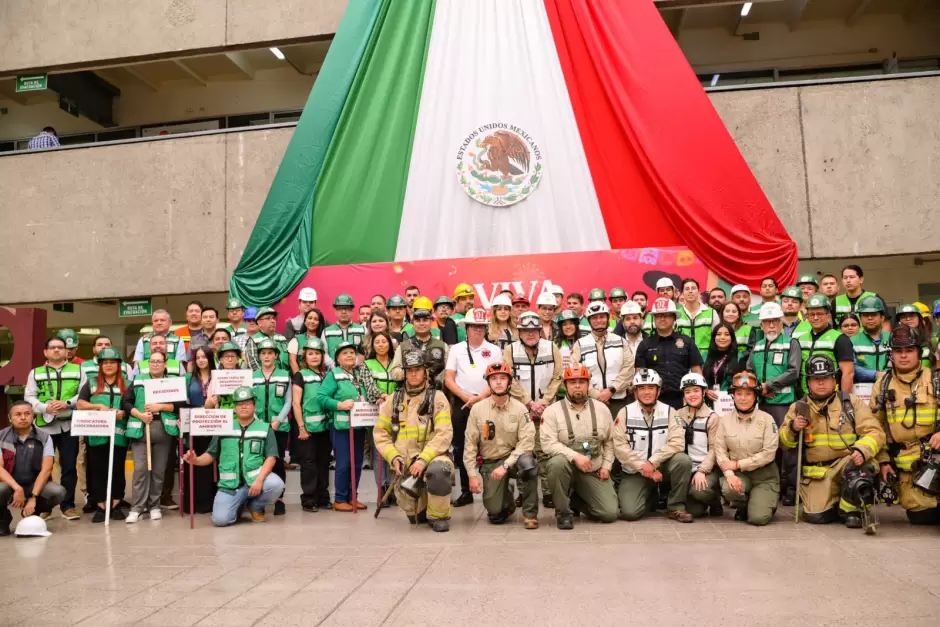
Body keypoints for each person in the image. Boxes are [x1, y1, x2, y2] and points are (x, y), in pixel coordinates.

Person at [780, 355, 885, 529]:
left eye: (826, 378)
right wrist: (793, 428)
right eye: (816, 379)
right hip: (818, 473)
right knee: (816, 516)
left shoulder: (851, 402)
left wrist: (861, 450)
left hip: (847, 463)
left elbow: (875, 431)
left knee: (861, 467)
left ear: (834, 379)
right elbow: (784, 443)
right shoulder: (798, 407)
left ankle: (851, 510)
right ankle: (837, 501)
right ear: (808, 382)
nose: (821, 383)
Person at [374, 350, 454, 531]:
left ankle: (438, 516)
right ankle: (424, 506)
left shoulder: (437, 397)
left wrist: (424, 459)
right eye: (409, 370)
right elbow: (380, 434)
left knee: (438, 471)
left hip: (432, 458)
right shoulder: (393, 400)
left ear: (425, 372)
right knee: (416, 518)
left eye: (418, 369)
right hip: (406, 466)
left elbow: (444, 434)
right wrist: (394, 457)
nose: (413, 374)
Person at [182, 386, 285, 526]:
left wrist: (260, 480)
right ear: (234, 408)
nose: (244, 407)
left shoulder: (265, 428)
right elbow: (211, 454)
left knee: (276, 484)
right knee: (220, 521)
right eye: (240, 404)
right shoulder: (224, 427)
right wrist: (196, 460)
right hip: (230, 486)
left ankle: (255, 506)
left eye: (248, 403)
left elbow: (271, 458)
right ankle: (238, 505)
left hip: (254, 481)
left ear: (254, 407)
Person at [870, 325, 940, 525]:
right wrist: (883, 461)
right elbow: (874, 428)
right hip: (909, 468)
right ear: (891, 354)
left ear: (919, 351)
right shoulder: (882, 385)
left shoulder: (936, 379)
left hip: (936, 455)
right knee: (922, 517)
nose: (903, 356)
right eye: (898, 351)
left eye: (909, 350)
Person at [540, 363, 618, 529]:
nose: (577, 386)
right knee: (556, 464)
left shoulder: (602, 409)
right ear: (565, 385)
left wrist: (606, 466)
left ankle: (576, 499)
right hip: (566, 468)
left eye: (581, 382)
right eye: (572, 382)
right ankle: (563, 512)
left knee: (609, 514)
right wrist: (574, 456)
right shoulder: (552, 411)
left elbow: (610, 441)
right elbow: (548, 444)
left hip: (593, 470)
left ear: (588, 385)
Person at [612, 369, 693, 523]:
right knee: (630, 513)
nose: (646, 392)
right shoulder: (625, 413)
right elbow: (620, 447)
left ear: (659, 390)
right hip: (635, 471)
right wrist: (643, 467)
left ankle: (676, 507)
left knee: (683, 460)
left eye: (651, 387)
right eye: (642, 388)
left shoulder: (670, 412)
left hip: (662, 468)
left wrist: (652, 462)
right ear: (635, 391)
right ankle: (651, 495)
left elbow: (677, 443)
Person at [465, 363, 539, 529]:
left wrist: (506, 465)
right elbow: (470, 443)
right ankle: (507, 498)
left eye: (503, 378)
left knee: (529, 465)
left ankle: (530, 514)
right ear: (488, 383)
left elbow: (527, 440)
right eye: (494, 379)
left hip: (514, 460)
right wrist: (471, 474)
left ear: (509, 382)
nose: (498, 382)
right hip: (491, 462)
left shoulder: (520, 409)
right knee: (496, 514)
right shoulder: (477, 410)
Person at [444, 308, 502, 507]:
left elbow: (497, 378)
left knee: (490, 445)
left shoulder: (494, 350)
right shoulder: (456, 349)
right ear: (466, 328)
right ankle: (465, 491)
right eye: (474, 326)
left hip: (487, 401)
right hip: (462, 402)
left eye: (481, 326)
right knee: (461, 447)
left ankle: (494, 489)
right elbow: (449, 378)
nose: (478, 330)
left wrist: (480, 397)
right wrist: (465, 397)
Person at [746, 302, 803, 505]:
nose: (771, 326)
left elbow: (793, 372)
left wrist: (769, 386)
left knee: (787, 446)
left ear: (781, 323)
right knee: (768, 447)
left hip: (783, 404)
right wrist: (758, 389)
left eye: (774, 322)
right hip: (762, 405)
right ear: (761, 325)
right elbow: (750, 370)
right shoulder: (758, 346)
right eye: (767, 322)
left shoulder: (791, 343)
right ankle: (774, 487)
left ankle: (791, 489)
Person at [318, 341, 385, 511]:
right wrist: (339, 405)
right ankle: (340, 499)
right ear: (338, 359)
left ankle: (352, 497)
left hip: (359, 426)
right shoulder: (334, 375)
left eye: (351, 353)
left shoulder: (360, 373)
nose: (349, 356)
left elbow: (368, 394)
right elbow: (321, 397)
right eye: (344, 353)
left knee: (357, 463)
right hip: (341, 427)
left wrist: (376, 399)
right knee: (344, 463)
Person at [24, 336, 85, 520]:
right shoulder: (35, 373)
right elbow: (29, 396)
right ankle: (46, 506)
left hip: (69, 425)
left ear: (67, 351)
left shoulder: (78, 370)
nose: (56, 350)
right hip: (44, 428)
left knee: (68, 467)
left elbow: (83, 393)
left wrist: (67, 403)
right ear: (46, 352)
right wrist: (44, 408)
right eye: (52, 347)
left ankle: (68, 505)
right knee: (44, 468)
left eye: (60, 347)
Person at [505, 312, 563, 506]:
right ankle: (523, 493)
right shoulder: (510, 350)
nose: (530, 334)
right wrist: (529, 403)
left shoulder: (552, 347)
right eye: (525, 331)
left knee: (547, 451)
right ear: (519, 333)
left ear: (540, 331)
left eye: (534, 330)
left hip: (547, 410)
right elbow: (509, 380)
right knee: (523, 451)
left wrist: (544, 402)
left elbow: (557, 377)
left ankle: (548, 492)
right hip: (521, 410)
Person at [122, 350, 184, 523]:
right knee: (141, 469)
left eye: (159, 361)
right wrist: (140, 415)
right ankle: (137, 508)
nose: (155, 364)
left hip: (164, 430)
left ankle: (154, 505)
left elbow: (180, 404)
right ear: (148, 364)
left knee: (158, 471)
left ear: (165, 364)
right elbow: (126, 402)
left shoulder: (172, 382)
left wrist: (161, 407)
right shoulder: (139, 380)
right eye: (152, 361)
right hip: (141, 430)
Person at [714, 371, 779, 526]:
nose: (743, 398)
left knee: (758, 519)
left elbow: (768, 454)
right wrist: (729, 474)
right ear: (733, 396)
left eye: (748, 394)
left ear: (755, 396)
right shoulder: (724, 420)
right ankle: (743, 505)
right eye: (738, 393)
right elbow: (720, 450)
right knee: (728, 487)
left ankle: (764, 502)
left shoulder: (767, 419)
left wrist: (738, 464)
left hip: (764, 477)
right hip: (739, 476)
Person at [75, 348, 129, 523]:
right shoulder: (91, 383)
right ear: (100, 365)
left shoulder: (127, 384)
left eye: (112, 362)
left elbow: (133, 404)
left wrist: (123, 412)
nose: (108, 365)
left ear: (119, 365)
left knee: (118, 469)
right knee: (97, 469)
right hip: (96, 433)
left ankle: (115, 504)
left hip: (119, 433)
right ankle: (100, 505)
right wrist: (99, 407)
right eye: (105, 363)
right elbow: (81, 403)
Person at [0, 402, 68, 535]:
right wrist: (17, 488)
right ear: (10, 417)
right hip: (9, 484)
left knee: (57, 491)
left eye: (27, 414)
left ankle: (33, 512)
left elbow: (46, 470)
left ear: (33, 416)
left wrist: (33, 497)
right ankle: (2, 518)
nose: (23, 417)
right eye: (18, 414)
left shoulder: (45, 437)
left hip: (34, 485)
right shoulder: (1, 437)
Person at [634, 298, 703, 409]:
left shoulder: (687, 341)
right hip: (653, 400)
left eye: (666, 315)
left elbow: (696, 371)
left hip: (683, 400)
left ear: (674, 317)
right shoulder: (645, 345)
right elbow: (639, 376)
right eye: (658, 315)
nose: (662, 318)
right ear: (654, 319)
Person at [251, 338, 292, 516]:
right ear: (259, 356)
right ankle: (258, 499)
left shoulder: (284, 375)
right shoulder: (252, 376)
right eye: (263, 353)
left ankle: (279, 499)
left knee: (277, 463)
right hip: (258, 426)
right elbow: (248, 401)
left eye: (270, 353)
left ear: (276, 355)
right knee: (258, 463)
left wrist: (279, 420)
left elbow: (288, 401)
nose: (267, 356)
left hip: (279, 428)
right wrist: (257, 422)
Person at [571, 302, 634, 418]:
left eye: (602, 316)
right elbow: (574, 373)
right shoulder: (580, 344)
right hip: (590, 401)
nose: (599, 320)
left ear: (608, 317)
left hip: (618, 401)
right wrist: (595, 394)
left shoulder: (621, 342)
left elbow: (628, 368)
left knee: (619, 434)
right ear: (589, 320)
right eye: (594, 317)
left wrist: (611, 390)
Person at [292, 340, 332, 512]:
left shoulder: (327, 374)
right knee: (309, 463)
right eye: (310, 354)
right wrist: (301, 427)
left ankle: (322, 497)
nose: (314, 357)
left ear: (322, 355)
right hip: (307, 428)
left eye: (317, 353)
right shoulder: (300, 375)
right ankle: (309, 499)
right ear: (305, 356)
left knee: (323, 462)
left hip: (325, 428)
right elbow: (295, 403)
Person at [677, 374, 723, 518]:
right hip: (686, 467)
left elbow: (715, 449)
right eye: (687, 391)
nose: (692, 395)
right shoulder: (677, 415)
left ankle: (715, 499)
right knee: (694, 511)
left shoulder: (713, 417)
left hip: (706, 468)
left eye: (696, 390)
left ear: (704, 392)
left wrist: (702, 471)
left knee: (699, 491)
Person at [792, 294, 855, 394]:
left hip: (831, 398)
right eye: (812, 314)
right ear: (807, 317)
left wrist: (844, 399)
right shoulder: (800, 339)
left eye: (820, 314)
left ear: (829, 316)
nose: (815, 318)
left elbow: (848, 373)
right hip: (805, 397)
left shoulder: (840, 339)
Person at [183, 346, 219, 514]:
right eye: (198, 357)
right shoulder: (188, 378)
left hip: (215, 426)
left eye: (204, 357)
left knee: (211, 465)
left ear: (211, 358)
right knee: (194, 463)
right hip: (193, 427)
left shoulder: (219, 377)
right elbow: (182, 402)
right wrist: (203, 407)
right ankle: (193, 503)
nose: (201, 360)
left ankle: (209, 503)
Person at [390, 300, 448, 388]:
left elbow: (450, 372)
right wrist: (412, 372)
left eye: (425, 320)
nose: (421, 323)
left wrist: (437, 377)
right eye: (418, 320)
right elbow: (394, 372)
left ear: (431, 322)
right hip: (410, 393)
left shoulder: (442, 346)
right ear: (413, 323)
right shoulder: (403, 347)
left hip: (436, 392)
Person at [676, 278, 719, 358]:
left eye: (693, 288)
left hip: (706, 358)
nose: (690, 291)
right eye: (687, 289)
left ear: (698, 292)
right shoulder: (676, 314)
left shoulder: (712, 313)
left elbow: (717, 337)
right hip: (682, 358)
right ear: (682, 293)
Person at [852, 296, 890, 384]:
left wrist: (887, 374)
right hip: (862, 391)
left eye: (874, 315)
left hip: (890, 385)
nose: (869, 318)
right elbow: (852, 367)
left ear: (882, 318)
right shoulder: (852, 341)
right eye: (865, 315)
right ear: (860, 319)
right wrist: (876, 375)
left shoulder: (892, 338)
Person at [244, 307, 289, 371]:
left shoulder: (282, 338)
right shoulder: (253, 340)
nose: (273, 321)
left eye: (274, 318)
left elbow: (290, 361)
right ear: (259, 323)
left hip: (285, 378)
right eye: (268, 318)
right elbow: (254, 365)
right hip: (264, 379)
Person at [324, 294, 366, 361]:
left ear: (352, 311)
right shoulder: (326, 332)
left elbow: (367, 351)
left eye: (347, 308)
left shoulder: (363, 330)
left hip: (357, 370)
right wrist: (334, 366)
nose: (343, 312)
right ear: (335, 312)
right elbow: (324, 353)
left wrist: (354, 364)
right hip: (334, 370)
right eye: (340, 309)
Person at [287, 308, 328, 374]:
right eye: (310, 318)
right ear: (305, 321)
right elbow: (292, 361)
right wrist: (300, 379)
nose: (312, 321)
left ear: (320, 323)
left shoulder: (323, 339)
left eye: (316, 319)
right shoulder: (296, 339)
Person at [703, 323, 739, 396]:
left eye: (727, 334)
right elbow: (699, 378)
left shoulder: (739, 357)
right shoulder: (704, 356)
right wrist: (706, 391)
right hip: (707, 399)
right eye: (718, 334)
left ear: (732, 337)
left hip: (730, 401)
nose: (722, 337)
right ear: (714, 337)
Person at [896, 304, 934, 368]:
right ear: (899, 320)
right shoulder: (894, 338)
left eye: (912, 316)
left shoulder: (932, 339)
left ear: (919, 319)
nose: (908, 319)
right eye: (904, 316)